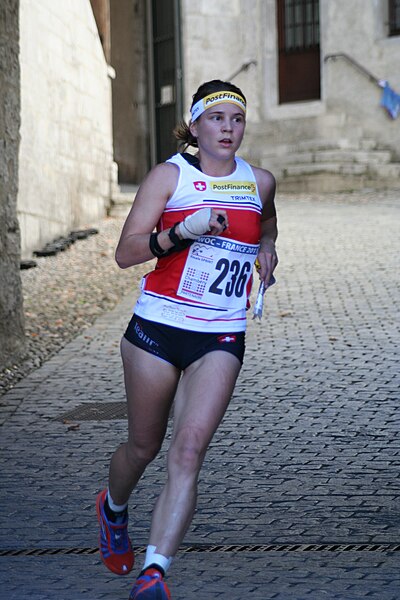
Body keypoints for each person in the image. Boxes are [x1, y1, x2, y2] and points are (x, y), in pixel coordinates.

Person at [96, 79, 278, 599]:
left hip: (220, 334)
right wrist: (182, 232)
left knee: (189, 448)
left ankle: (155, 573)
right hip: (156, 329)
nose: (228, 128)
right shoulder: (169, 176)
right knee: (143, 446)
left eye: (237, 119)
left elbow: (267, 226)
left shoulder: (259, 181)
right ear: (194, 127)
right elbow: (126, 252)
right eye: (217, 118)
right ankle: (112, 507)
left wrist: (267, 250)